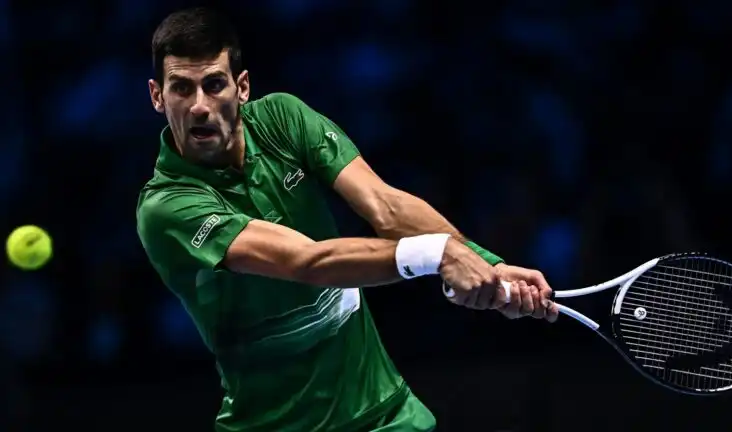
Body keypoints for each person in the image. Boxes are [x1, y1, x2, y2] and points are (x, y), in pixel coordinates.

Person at [136, 7, 558, 432]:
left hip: (385, 414)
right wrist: (437, 254)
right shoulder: (166, 206)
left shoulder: (283, 119)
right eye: (182, 89)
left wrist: (488, 265)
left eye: (214, 85)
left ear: (241, 87)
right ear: (158, 96)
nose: (200, 106)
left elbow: (384, 206)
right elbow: (306, 262)